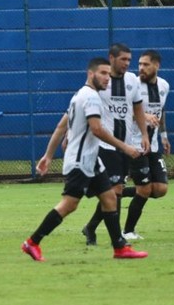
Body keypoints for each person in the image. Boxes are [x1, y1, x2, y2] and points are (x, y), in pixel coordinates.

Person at [21, 57, 148, 261]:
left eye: (109, 74)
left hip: (91, 160)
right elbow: (97, 129)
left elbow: (61, 126)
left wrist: (48, 155)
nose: (108, 78)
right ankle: (32, 242)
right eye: (103, 74)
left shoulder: (79, 95)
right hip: (80, 161)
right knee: (68, 205)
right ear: (91, 74)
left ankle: (120, 247)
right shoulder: (90, 97)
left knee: (109, 198)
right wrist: (125, 147)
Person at [81, 43, 149, 246]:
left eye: (129, 60)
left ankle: (91, 227)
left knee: (113, 192)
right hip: (105, 145)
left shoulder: (131, 81)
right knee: (115, 190)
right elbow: (84, 105)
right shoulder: (101, 80)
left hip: (125, 144)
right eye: (123, 59)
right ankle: (116, 237)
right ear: (111, 58)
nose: (127, 64)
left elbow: (137, 108)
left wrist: (144, 134)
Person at [121, 49, 170, 239]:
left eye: (145, 64)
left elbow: (161, 111)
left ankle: (118, 192)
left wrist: (164, 136)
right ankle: (128, 232)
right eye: (139, 64)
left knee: (160, 189)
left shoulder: (164, 85)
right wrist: (143, 116)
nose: (140, 68)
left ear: (156, 66)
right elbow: (123, 110)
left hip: (154, 145)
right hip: (135, 145)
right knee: (145, 189)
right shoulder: (132, 84)